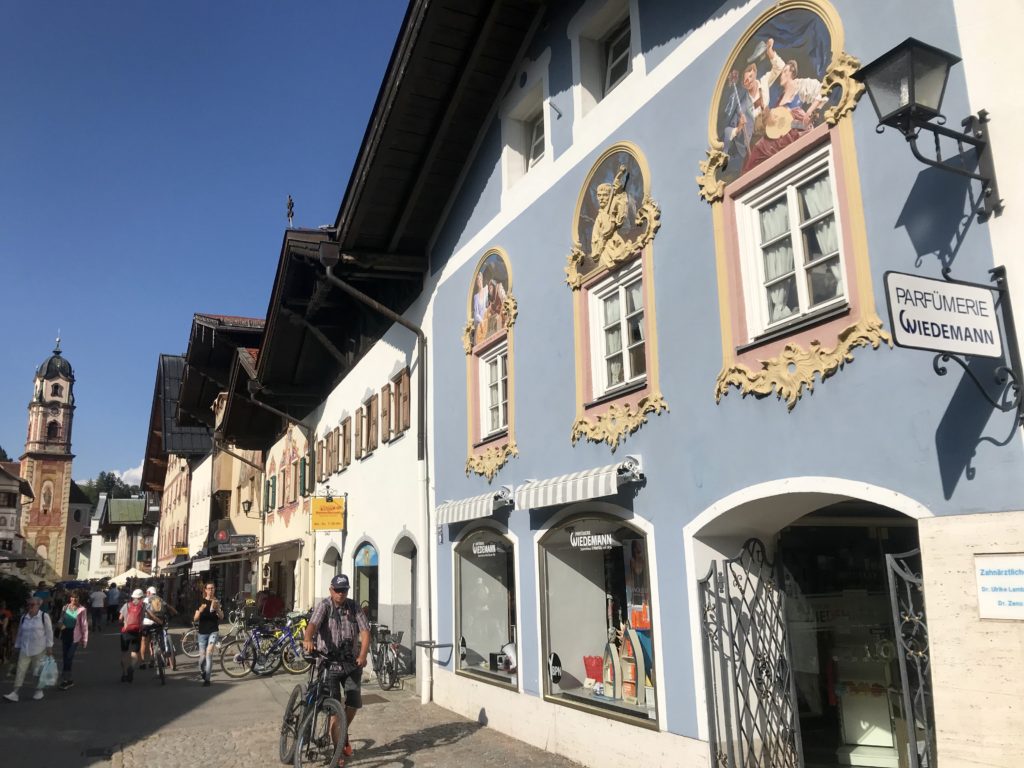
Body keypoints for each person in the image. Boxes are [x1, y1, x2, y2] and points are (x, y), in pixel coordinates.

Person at [303, 574, 370, 766]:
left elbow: (365, 632)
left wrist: (363, 655)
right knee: (335, 708)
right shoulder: (324, 605)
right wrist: (308, 639)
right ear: (331, 590)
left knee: (354, 703)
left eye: (344, 590)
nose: (341, 594)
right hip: (329, 663)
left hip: (350, 664)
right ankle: (338, 749)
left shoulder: (354, 606)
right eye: (338, 590)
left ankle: (342, 734)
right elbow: (312, 626)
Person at [3, 597, 54, 702]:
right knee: (20, 671)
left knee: (37, 671)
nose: (29, 607)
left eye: (32, 605)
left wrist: (49, 647)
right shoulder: (24, 618)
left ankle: (39, 690)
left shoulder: (44, 616)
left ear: (38, 605)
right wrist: (17, 646)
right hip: (25, 648)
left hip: (39, 648)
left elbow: (49, 632)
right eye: (28, 605)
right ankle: (15, 693)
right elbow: (20, 633)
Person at [56, 592, 88, 690]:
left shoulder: (82, 610)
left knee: (69, 656)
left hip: (75, 635)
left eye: (76, 598)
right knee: (65, 656)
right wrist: (60, 623)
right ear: (70, 598)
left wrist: (85, 639)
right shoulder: (65, 607)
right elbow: (61, 618)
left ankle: (65, 679)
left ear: (79, 599)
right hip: (65, 633)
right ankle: (68, 679)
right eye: (72, 598)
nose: (74, 600)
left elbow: (84, 624)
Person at [193, 583, 223, 686]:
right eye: (209, 588)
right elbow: (195, 618)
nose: (211, 590)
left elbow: (222, 617)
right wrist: (200, 611)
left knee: (209, 653)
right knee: (202, 657)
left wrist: (218, 609)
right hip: (202, 632)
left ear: (214, 589)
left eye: (212, 588)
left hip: (213, 631)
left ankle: (207, 679)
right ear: (205, 590)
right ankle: (202, 671)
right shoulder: (201, 601)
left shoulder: (217, 601)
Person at [118, 588, 148, 683]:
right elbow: (144, 618)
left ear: (133, 597)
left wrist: (123, 624)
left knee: (124, 653)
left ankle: (124, 674)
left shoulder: (126, 605)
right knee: (134, 652)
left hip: (126, 632)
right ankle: (131, 667)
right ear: (141, 597)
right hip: (137, 631)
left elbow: (120, 619)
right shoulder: (143, 607)